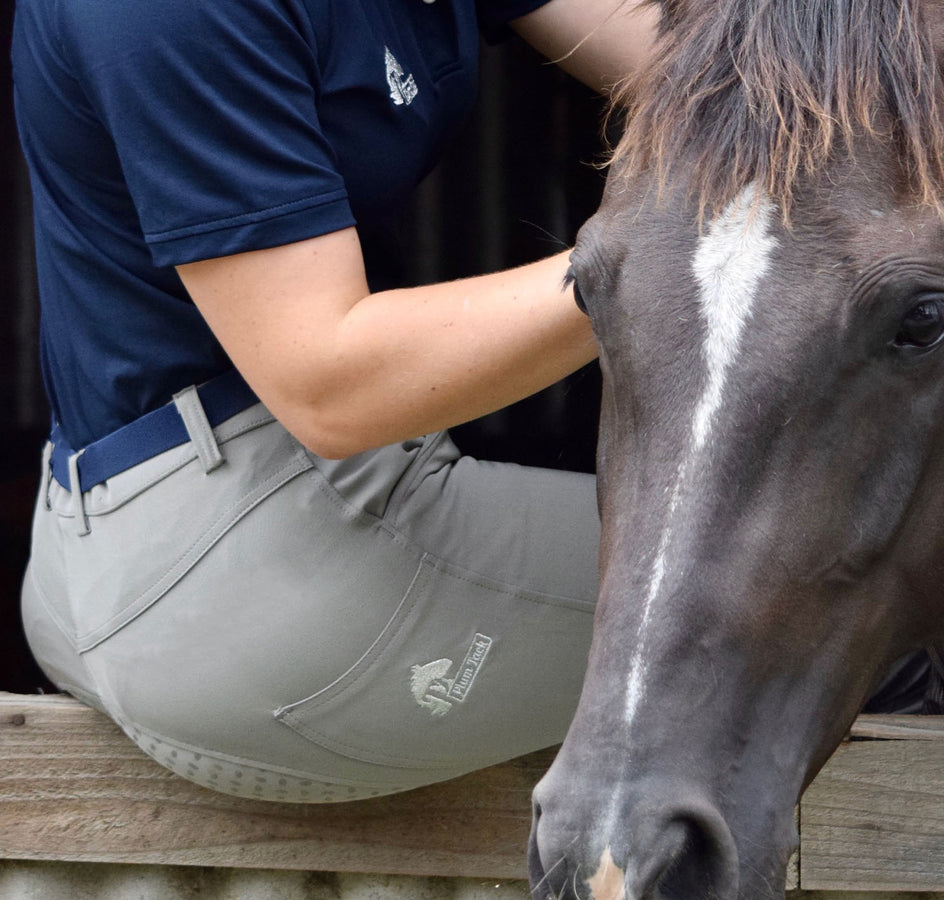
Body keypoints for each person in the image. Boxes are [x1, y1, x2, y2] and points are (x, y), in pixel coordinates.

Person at [12, 0, 657, 802]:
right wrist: (671, 257)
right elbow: (330, 386)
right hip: (238, 570)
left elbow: (697, 58)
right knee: (842, 591)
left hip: (181, 530)